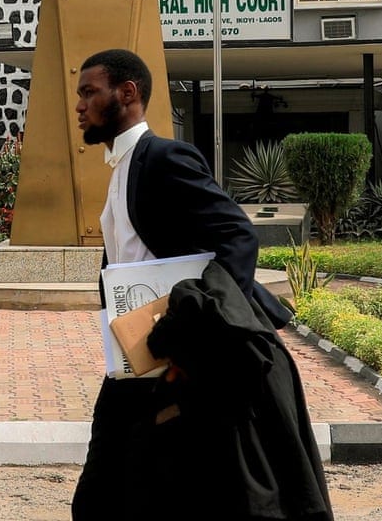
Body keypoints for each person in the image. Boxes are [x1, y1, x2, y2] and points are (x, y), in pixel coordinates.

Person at [70, 48, 333, 521]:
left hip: (191, 360)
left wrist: (203, 336)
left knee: (217, 491)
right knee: (109, 490)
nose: (79, 106)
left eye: (89, 92)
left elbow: (236, 236)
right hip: (145, 358)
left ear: (126, 93)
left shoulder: (164, 158)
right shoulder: (120, 169)